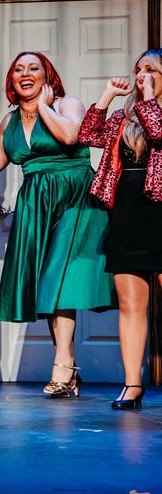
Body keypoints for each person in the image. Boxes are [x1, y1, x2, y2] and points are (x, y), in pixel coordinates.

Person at [0, 51, 114, 398]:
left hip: (74, 196)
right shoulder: (9, 121)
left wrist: (44, 107)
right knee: (48, 285)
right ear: (12, 79)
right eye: (19, 69)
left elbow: (72, 137)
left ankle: (62, 366)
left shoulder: (65, 104)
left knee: (60, 279)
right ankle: (67, 365)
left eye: (34, 68)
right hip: (36, 203)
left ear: (48, 75)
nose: (26, 74)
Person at [78, 50, 162, 410]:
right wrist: (107, 97)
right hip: (128, 213)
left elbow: (158, 132)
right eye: (139, 70)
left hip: (160, 210)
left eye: (152, 71)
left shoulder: (152, 112)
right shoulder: (124, 117)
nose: (143, 76)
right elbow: (87, 135)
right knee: (130, 305)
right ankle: (132, 385)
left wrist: (148, 99)